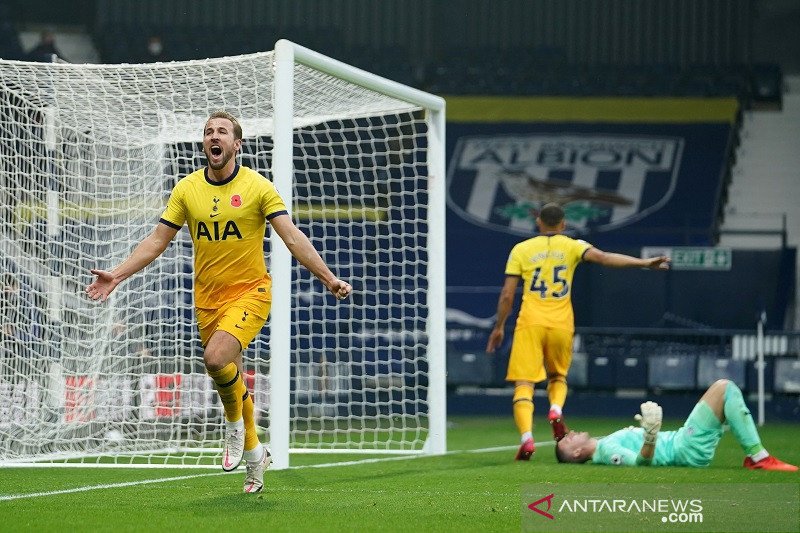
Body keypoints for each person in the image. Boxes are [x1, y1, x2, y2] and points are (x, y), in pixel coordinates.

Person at [86, 110, 352, 493]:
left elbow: (291, 236)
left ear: (236, 144)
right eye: (209, 131)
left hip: (250, 292)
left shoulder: (259, 187)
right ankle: (256, 457)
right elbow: (157, 241)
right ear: (205, 142)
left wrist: (328, 278)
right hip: (207, 299)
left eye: (223, 131)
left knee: (214, 359)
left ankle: (231, 429)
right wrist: (119, 273)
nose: (215, 136)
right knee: (232, 376)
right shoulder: (187, 189)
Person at [485, 203, 669, 461]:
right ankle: (556, 409)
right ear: (563, 225)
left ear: (539, 223)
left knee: (524, 383)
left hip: (531, 322)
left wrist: (500, 326)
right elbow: (605, 258)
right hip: (561, 323)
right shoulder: (572, 246)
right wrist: (645, 262)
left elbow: (507, 295)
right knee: (557, 377)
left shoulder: (521, 250)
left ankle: (527, 439)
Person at [555, 379, 797, 471]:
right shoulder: (608, 452)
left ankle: (755, 456)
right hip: (685, 449)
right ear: (576, 452)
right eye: (568, 439)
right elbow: (640, 465)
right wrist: (650, 436)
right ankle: (759, 458)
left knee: (725, 392)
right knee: (724, 388)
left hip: (683, 443)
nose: (572, 433)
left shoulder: (604, 446)